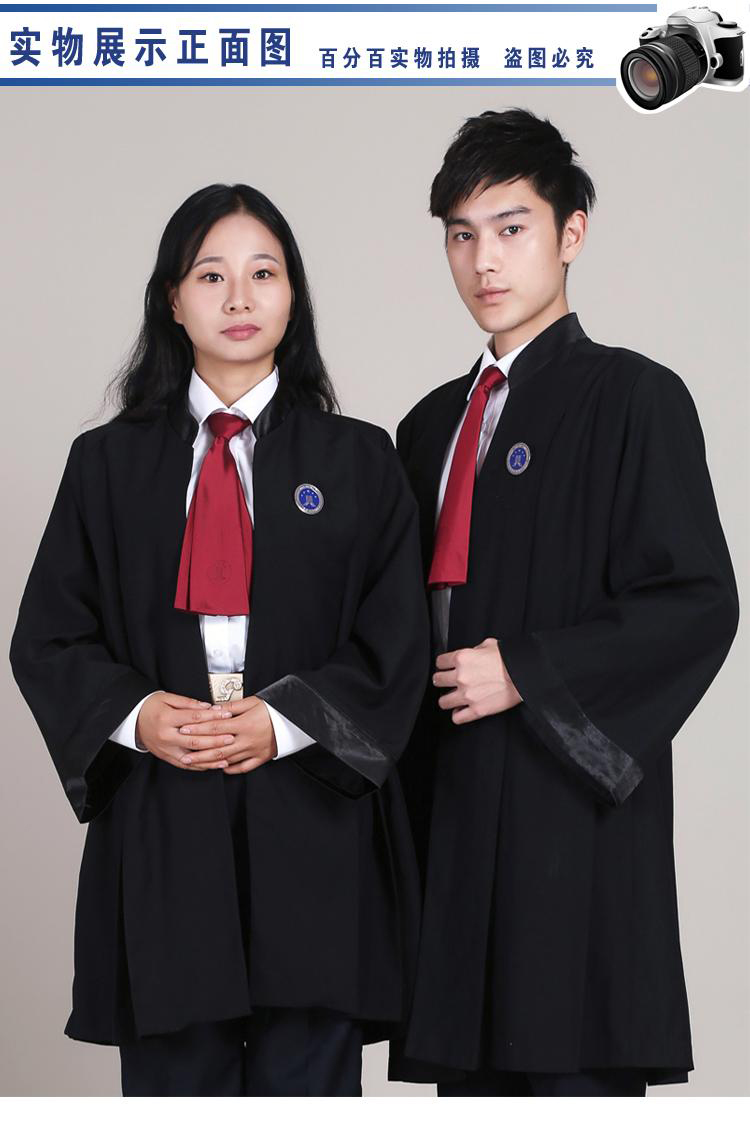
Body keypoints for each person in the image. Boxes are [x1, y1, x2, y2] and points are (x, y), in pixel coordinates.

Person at [9, 183, 429, 1097]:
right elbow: (48, 636)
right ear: (173, 299)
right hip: (167, 814)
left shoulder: (360, 460)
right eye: (211, 275)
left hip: (313, 822)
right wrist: (139, 716)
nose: (239, 298)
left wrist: (284, 721)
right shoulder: (107, 464)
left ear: (293, 295)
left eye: (263, 273)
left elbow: (396, 644)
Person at [389, 109, 739, 1096]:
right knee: (469, 1081)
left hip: (567, 813)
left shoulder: (636, 400)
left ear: (571, 232)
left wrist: (527, 670)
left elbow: (696, 600)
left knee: (570, 1073)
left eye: (512, 228)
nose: (484, 260)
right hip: (454, 810)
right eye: (461, 235)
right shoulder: (427, 429)